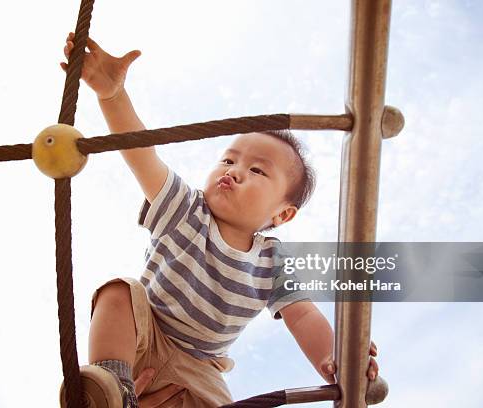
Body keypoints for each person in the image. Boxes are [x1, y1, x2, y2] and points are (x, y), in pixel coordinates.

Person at [59, 33, 379, 408]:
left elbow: (303, 314)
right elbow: (140, 151)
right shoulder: (185, 209)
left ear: (282, 213)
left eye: (257, 171)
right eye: (229, 160)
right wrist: (112, 96)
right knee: (118, 292)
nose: (235, 171)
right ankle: (113, 389)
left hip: (200, 367)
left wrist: (333, 357)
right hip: (143, 336)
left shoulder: (271, 260)